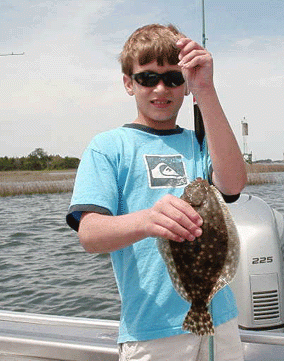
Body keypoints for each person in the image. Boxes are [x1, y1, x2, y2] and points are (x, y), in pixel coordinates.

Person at [66, 24, 247, 361]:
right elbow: (89, 236)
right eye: (147, 78)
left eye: (174, 78)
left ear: (185, 83)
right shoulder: (108, 147)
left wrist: (205, 90)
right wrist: (148, 220)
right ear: (128, 83)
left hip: (220, 320)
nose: (161, 88)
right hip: (151, 329)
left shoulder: (201, 144)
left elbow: (233, 184)